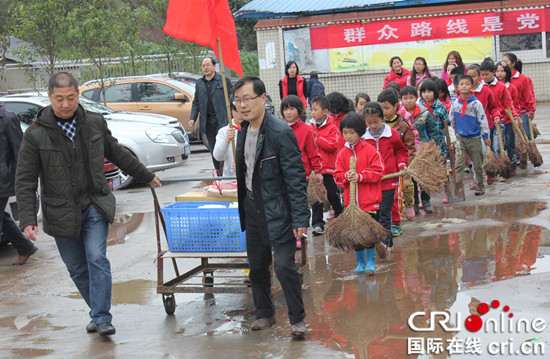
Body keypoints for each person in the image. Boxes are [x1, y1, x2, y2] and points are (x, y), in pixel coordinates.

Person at [16, 72, 162, 337]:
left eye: (71, 98)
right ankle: (97, 312)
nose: (65, 104)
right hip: (59, 211)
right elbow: (25, 179)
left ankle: (103, 318)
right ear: (49, 98)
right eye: (59, 99)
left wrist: (146, 175)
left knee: (97, 257)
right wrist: (26, 219)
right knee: (77, 269)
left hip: (95, 202)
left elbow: (117, 152)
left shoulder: (94, 123)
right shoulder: (35, 136)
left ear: (78, 95)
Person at [234, 76, 309, 337]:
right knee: (256, 265)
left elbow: (296, 178)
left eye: (247, 99)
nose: (242, 105)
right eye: (238, 100)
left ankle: (297, 319)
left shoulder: (280, 132)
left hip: (279, 211)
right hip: (253, 208)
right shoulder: (242, 132)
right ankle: (264, 313)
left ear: (263, 99)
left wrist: (301, 218)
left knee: (284, 266)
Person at [333, 112, 384, 273]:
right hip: (351, 204)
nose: (348, 136)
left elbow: (379, 171)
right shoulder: (342, 154)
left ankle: (371, 262)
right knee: (356, 236)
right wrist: (346, 177)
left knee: (368, 235)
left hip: (370, 202)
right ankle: (361, 263)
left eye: (352, 132)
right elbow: (337, 176)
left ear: (360, 131)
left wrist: (361, 176)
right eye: (345, 132)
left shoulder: (370, 150)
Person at [362, 102, 409, 253]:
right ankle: (377, 240)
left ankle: (386, 244)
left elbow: (402, 151)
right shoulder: (363, 137)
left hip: (389, 179)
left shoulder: (392, 134)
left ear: (383, 118)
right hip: (371, 182)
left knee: (384, 211)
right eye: (369, 122)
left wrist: (401, 164)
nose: (373, 126)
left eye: (376, 122)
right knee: (373, 213)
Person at [280, 95, 323, 238]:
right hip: (281, 175)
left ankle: (300, 235)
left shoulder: (306, 130)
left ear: (299, 111)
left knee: (299, 206)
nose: (288, 112)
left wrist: (318, 171)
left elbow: (313, 152)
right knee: (284, 206)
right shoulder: (278, 129)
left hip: (300, 176)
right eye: (285, 109)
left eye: (292, 109)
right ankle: (288, 234)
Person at [1, 103, 38, 265]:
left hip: (2, 180)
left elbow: (20, 153)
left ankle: (25, 247)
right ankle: (24, 247)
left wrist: (22, 182)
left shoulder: (7, 118)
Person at [190, 56, 233, 175]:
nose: (205, 68)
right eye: (203, 66)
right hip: (207, 121)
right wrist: (192, 118)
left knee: (224, 146)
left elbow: (231, 98)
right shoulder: (199, 83)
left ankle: (227, 172)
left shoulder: (223, 80)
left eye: (208, 65)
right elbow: (196, 102)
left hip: (222, 120)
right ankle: (219, 173)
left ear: (214, 66)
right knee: (214, 149)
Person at [401, 86, 443, 208]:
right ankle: (414, 203)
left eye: (411, 98)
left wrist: (435, 147)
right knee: (412, 177)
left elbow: (433, 131)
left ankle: (426, 201)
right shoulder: (400, 115)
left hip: (424, 149)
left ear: (416, 98)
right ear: (401, 100)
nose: (408, 101)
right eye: (405, 98)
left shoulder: (424, 113)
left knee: (425, 176)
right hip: (408, 151)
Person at [449, 74, 490, 196]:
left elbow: (483, 119)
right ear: (457, 87)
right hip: (460, 138)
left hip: (474, 138)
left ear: (472, 86)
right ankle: (458, 188)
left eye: (467, 84)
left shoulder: (476, 103)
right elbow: (451, 120)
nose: (464, 86)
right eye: (462, 84)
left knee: (477, 164)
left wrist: (485, 135)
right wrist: (452, 137)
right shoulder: (455, 103)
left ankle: (480, 185)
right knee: (459, 164)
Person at [309, 96, 344, 235]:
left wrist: (316, 137)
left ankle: (340, 216)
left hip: (329, 168)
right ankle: (318, 224)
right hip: (316, 168)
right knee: (316, 196)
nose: (313, 112)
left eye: (315, 109)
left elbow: (332, 145)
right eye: (311, 109)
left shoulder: (332, 127)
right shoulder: (310, 126)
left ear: (325, 111)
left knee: (332, 194)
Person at [480, 58, 517, 176]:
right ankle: (491, 172)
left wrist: (514, 117)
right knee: (486, 149)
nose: (485, 77)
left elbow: (508, 103)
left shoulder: (501, 87)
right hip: (484, 123)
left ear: (494, 72)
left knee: (498, 147)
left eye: (487, 74)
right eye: (483, 74)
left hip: (499, 121)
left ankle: (502, 171)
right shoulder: (480, 88)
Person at [467, 64, 500, 186]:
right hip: (469, 129)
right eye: (469, 76)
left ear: (479, 76)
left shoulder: (486, 91)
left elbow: (493, 107)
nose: (472, 79)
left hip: (485, 127)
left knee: (485, 152)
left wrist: (496, 116)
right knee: (474, 155)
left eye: (474, 76)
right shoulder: (465, 92)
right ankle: (477, 179)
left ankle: (490, 173)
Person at [502, 53, 536, 141]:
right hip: (507, 114)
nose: (503, 64)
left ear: (513, 63)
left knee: (524, 138)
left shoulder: (523, 79)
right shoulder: (502, 79)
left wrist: (531, 110)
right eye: (502, 62)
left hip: (521, 112)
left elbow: (529, 96)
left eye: (505, 62)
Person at [213, 99, 243, 177]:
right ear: (231, 111)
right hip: (230, 179)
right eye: (236, 110)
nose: (240, 114)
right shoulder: (224, 131)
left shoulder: (254, 129)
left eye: (242, 110)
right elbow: (218, 157)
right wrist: (226, 140)